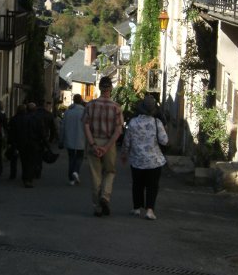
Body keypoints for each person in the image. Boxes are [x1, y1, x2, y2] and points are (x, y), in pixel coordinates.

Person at [121, 94, 168, 220]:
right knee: (152, 185)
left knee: (137, 184)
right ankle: (150, 210)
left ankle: (136, 208)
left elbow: (127, 141)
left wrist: (124, 154)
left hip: (137, 159)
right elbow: (164, 141)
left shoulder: (133, 122)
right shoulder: (157, 122)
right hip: (154, 161)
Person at [83, 76, 124, 217]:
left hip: (94, 140)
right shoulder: (116, 107)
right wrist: (106, 147)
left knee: (95, 174)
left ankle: (97, 207)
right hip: (109, 143)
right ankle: (105, 196)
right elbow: (118, 130)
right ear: (110, 89)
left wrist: (93, 144)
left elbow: (86, 125)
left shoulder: (90, 105)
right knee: (110, 172)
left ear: (99, 88)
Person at [9, 102, 46, 188]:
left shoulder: (21, 118)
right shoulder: (36, 119)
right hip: (33, 142)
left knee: (24, 161)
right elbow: (40, 132)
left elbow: (15, 131)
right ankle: (28, 179)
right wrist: (43, 141)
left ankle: (25, 177)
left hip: (23, 142)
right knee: (31, 161)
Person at [59, 93, 86, 185]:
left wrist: (61, 140)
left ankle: (71, 178)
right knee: (79, 157)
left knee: (71, 158)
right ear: (81, 100)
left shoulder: (67, 112)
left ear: (73, 100)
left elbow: (62, 127)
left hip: (69, 139)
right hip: (81, 139)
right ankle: (76, 171)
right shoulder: (84, 112)